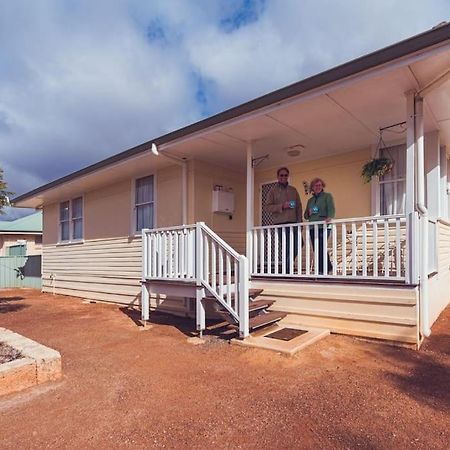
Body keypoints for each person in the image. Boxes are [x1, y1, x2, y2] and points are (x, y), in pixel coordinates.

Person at [266, 167, 302, 272]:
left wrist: (300, 223)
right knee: (286, 247)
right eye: (281, 175)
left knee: (299, 244)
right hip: (280, 223)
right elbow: (268, 207)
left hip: (294, 223)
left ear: (288, 176)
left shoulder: (293, 190)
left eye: (285, 175)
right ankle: (287, 269)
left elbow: (299, 207)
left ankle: (287, 267)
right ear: (278, 177)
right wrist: (282, 206)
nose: (283, 177)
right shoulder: (273, 191)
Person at [304, 177, 335, 275]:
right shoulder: (310, 201)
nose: (318, 187)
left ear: (322, 186)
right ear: (312, 187)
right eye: (316, 185)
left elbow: (331, 209)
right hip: (313, 227)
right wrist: (309, 212)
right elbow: (305, 216)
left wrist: (329, 217)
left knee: (321, 247)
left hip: (324, 226)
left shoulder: (327, 196)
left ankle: (323, 270)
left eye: (320, 185)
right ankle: (327, 267)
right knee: (316, 248)